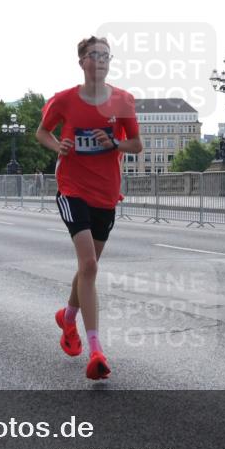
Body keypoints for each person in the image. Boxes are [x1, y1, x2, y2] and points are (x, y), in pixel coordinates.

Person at [35, 36, 142, 381]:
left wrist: (114, 142)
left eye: (106, 56)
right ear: (81, 62)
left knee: (87, 268)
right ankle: (96, 350)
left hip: (106, 194)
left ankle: (67, 317)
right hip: (72, 189)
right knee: (90, 265)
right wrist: (58, 146)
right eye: (94, 55)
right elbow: (42, 132)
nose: (101, 60)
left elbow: (136, 144)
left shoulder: (122, 100)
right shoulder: (64, 100)